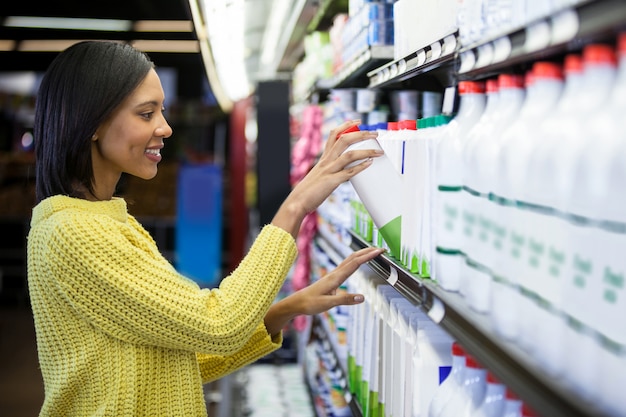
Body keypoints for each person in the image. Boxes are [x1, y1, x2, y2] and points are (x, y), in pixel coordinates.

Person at [27, 40, 384, 416]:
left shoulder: (108, 222)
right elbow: (219, 324)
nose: (165, 128)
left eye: (161, 112)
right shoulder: (73, 233)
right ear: (93, 123)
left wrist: (284, 310)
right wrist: (296, 206)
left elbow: (171, 365)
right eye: (146, 114)